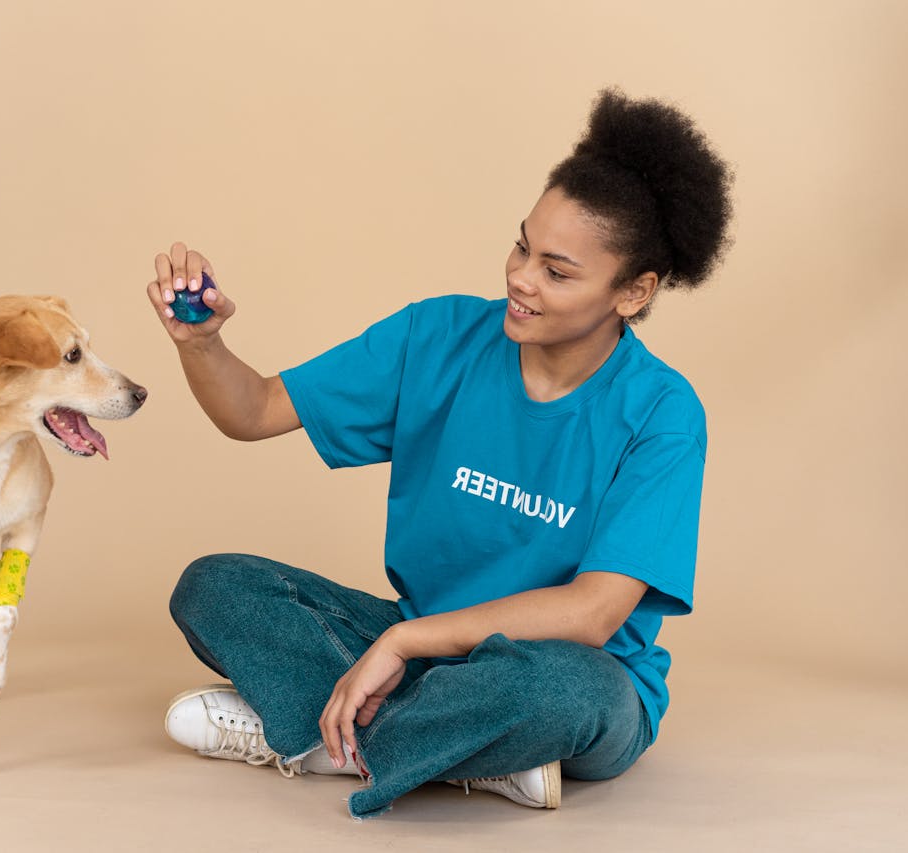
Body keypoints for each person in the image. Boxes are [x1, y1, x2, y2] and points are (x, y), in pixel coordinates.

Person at [147, 88, 733, 819]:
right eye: (523, 245)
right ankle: (462, 752)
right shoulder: (439, 336)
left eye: (557, 271)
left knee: (561, 692)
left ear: (633, 291)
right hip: (426, 653)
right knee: (214, 586)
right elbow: (254, 408)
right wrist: (202, 344)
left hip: (571, 673)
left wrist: (404, 636)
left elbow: (591, 614)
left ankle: (312, 734)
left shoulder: (661, 412)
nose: (521, 276)